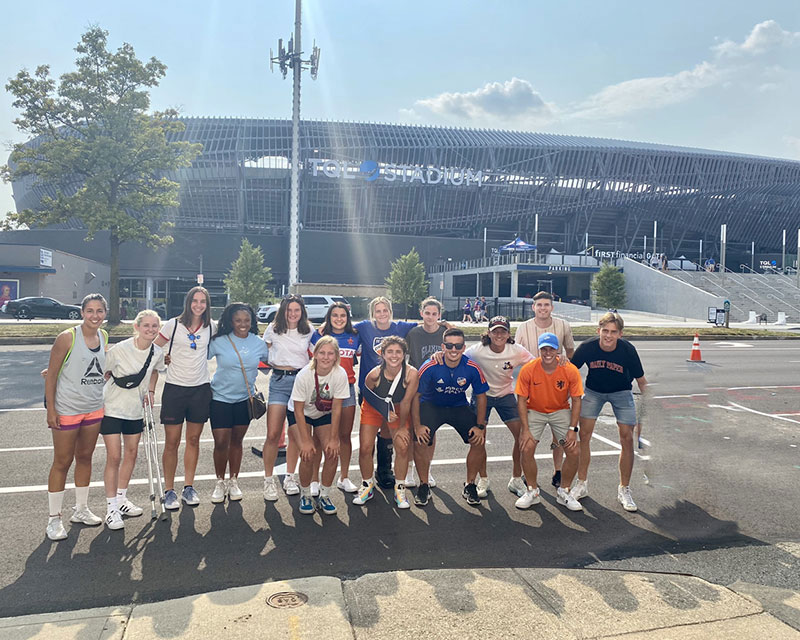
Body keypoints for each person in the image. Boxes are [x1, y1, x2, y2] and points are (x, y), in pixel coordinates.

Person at [43, 293, 109, 540]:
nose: (95, 315)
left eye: (100, 311)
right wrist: (51, 409)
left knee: (85, 458)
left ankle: (80, 509)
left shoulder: (103, 336)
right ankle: (53, 519)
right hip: (67, 409)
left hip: (93, 408)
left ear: (105, 313)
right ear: (82, 312)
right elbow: (51, 375)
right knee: (62, 462)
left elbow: (99, 369)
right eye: (90, 310)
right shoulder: (67, 338)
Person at [570, 312, 647, 512]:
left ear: (620, 334)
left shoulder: (628, 350)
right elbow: (570, 372)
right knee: (584, 435)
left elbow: (642, 381)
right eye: (605, 331)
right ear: (599, 331)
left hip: (621, 392)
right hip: (594, 392)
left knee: (627, 438)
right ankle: (582, 483)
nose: (608, 336)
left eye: (613, 332)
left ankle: (624, 488)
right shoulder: (588, 347)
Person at [100, 309, 165, 529]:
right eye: (146, 325)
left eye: (154, 326)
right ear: (136, 327)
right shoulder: (119, 349)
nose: (150, 329)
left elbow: (155, 371)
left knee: (131, 453)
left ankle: (121, 498)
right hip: (111, 408)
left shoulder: (156, 352)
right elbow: (102, 371)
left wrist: (152, 391)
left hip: (135, 410)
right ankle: (110, 508)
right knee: (114, 456)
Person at [155, 286, 216, 510]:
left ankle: (188, 487)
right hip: (174, 390)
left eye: (203, 301)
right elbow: (152, 349)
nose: (198, 305)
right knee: (171, 442)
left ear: (207, 305)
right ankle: (169, 490)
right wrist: (163, 360)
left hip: (200, 390)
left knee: (193, 440)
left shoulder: (211, 327)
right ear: (188, 302)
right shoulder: (173, 324)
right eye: (195, 301)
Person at [414, 328, 489, 507]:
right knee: (420, 441)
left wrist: (480, 425)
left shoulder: (472, 367)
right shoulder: (430, 366)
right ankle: (424, 485)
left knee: (479, 440)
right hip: (431, 406)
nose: (453, 350)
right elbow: (415, 397)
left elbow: (481, 397)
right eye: (449, 345)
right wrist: (417, 425)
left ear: (464, 347)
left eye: (458, 346)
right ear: (443, 347)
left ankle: (470, 485)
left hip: (458, 406)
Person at [463, 316, 534, 499]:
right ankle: (483, 479)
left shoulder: (516, 350)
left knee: (521, 437)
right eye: (495, 331)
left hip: (505, 395)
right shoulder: (477, 351)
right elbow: (456, 358)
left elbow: (535, 365)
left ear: (509, 334)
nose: (499, 335)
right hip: (482, 396)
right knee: (478, 440)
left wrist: (560, 361)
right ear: (488, 332)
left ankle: (516, 479)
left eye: (503, 331)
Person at [207, 303, 269, 503]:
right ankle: (219, 482)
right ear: (230, 321)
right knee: (221, 442)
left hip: (245, 399)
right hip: (219, 399)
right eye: (238, 320)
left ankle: (233, 481)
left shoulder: (259, 343)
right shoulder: (218, 341)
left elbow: (272, 362)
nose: (242, 324)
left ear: (252, 322)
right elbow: (196, 357)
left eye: (246, 320)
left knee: (236, 441)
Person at [514, 333, 583, 512]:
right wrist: (525, 430)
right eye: (544, 349)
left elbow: (576, 400)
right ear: (539, 349)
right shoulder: (529, 369)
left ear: (558, 350)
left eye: (551, 349)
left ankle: (564, 491)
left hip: (560, 410)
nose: (547, 353)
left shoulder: (569, 369)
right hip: (535, 410)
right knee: (526, 447)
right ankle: (532, 490)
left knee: (574, 449)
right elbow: (521, 400)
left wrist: (572, 429)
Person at [354, 297, 418, 490]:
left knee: (387, 432)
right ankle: (367, 480)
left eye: (385, 310)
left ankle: (384, 471)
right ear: (372, 313)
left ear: (390, 311)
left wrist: (444, 323)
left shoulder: (400, 327)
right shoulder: (365, 327)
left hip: (395, 392)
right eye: (378, 311)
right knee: (368, 437)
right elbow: (343, 327)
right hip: (372, 389)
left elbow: (426, 323)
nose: (382, 314)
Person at [514, 290, 576, 489]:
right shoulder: (523, 328)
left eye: (546, 305)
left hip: (556, 385)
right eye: (539, 305)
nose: (543, 308)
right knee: (529, 434)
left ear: (552, 307)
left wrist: (566, 359)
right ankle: (527, 474)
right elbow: (516, 353)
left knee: (558, 435)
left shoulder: (563, 325)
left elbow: (570, 349)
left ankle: (558, 470)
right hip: (532, 385)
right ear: (533, 307)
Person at [288, 336, 350, 515]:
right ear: (314, 354)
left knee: (332, 452)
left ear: (336, 356)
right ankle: (306, 494)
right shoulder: (304, 374)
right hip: (301, 414)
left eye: (330, 353)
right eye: (322, 352)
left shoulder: (340, 374)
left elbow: (337, 408)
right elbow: (298, 410)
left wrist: (333, 438)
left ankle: (324, 494)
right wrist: (306, 441)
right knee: (307, 453)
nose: (326, 357)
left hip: (324, 413)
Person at [261, 295, 314, 502]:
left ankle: (290, 477)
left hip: (301, 382)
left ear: (302, 312)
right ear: (283, 311)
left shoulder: (308, 330)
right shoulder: (273, 329)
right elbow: (261, 353)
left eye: (297, 310)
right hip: (279, 382)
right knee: (273, 433)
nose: (293, 314)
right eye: (289, 310)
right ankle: (268, 480)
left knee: (296, 434)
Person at [310, 302, 361, 493]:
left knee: (344, 436)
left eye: (343, 315)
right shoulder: (318, 335)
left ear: (348, 317)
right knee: (318, 437)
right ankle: (314, 479)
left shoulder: (355, 335)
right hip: (322, 389)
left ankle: (344, 477)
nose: (339, 319)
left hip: (346, 388)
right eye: (335, 315)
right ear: (328, 318)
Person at [403, 297, 446, 487]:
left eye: (434, 314)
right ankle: (412, 468)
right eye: (427, 313)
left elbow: (457, 346)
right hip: (416, 386)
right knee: (413, 428)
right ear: (421, 313)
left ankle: (426, 469)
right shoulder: (414, 333)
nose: (430, 317)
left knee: (431, 430)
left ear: (439, 315)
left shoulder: (445, 333)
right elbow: (405, 358)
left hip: (438, 387)